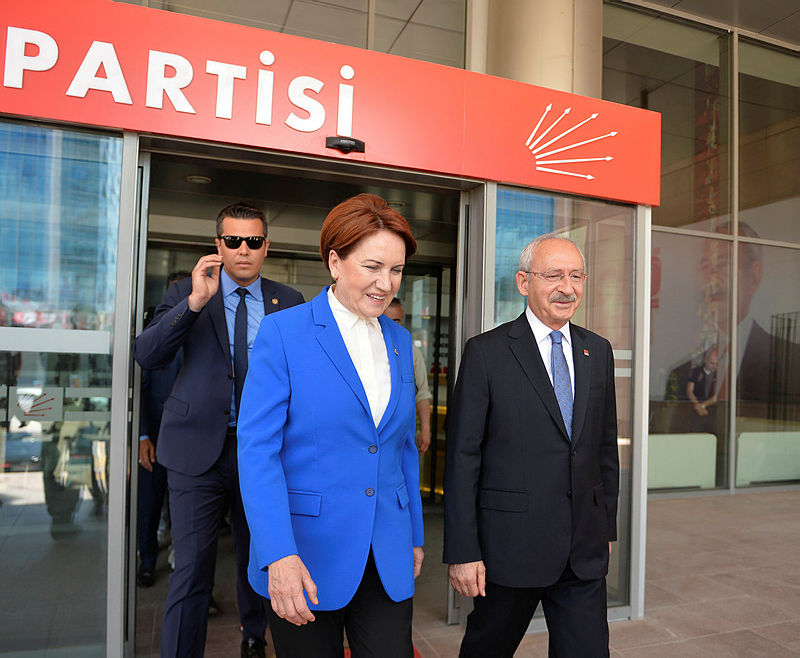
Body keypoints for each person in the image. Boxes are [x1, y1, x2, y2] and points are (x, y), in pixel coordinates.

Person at [237, 193, 424, 658]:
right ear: (335, 261)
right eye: (373, 266)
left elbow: (400, 450)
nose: (386, 284)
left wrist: (415, 536)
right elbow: (257, 450)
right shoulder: (284, 333)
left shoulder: (400, 339)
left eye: (396, 271)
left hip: (386, 552)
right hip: (305, 555)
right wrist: (278, 553)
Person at [134, 202, 304, 658]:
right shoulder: (185, 292)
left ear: (266, 247)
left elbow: (303, 379)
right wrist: (193, 303)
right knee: (191, 571)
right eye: (233, 241)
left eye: (252, 241)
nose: (243, 250)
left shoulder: (288, 302)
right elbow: (147, 355)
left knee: (261, 558)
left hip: (264, 455)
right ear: (218, 245)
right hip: (195, 453)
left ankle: (254, 639)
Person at [444, 234, 619, 657]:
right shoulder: (486, 353)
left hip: (582, 552)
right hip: (509, 550)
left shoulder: (598, 350)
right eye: (554, 275)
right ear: (524, 282)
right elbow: (463, 457)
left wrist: (606, 526)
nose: (568, 287)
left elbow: (604, 448)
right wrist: (463, 550)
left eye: (576, 275)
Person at [136, 270, 189, 588]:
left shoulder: (206, 332)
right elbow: (141, 390)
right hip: (156, 438)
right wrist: (143, 436)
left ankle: (184, 571)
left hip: (193, 441)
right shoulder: (156, 336)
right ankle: (146, 560)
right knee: (150, 504)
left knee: (186, 514)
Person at [385, 297, 433, 452]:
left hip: (402, 436)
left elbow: (422, 393)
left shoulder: (412, 352)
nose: (392, 325)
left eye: (396, 320)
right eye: (386, 319)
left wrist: (425, 429)